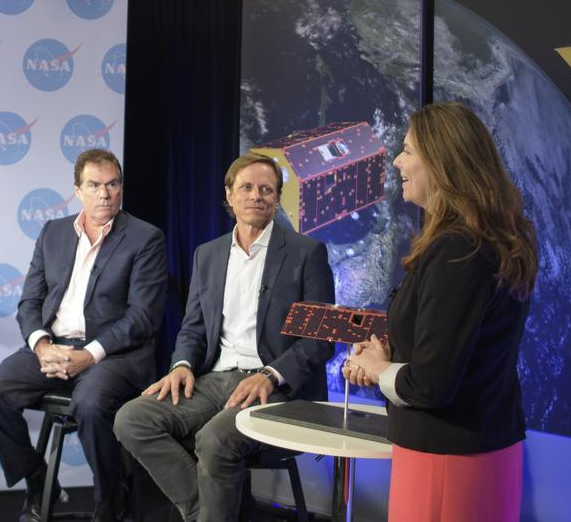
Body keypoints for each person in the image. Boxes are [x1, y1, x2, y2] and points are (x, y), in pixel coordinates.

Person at [113, 154, 334, 522]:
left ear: (278, 198)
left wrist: (271, 375)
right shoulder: (208, 255)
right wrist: (181, 364)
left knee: (215, 440)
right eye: (246, 187)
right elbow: (193, 327)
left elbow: (320, 340)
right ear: (229, 195)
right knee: (131, 418)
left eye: (267, 189)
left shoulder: (307, 253)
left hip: (276, 384)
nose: (256, 196)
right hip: (214, 380)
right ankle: (209, 511)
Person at [344, 102, 537, 522]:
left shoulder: (457, 250)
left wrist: (379, 371)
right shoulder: (489, 240)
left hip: (446, 462)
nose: (397, 160)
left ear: (443, 163)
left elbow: (432, 385)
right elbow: (464, 348)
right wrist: (389, 357)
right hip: (481, 451)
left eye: (408, 150)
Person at [0, 149, 167, 522]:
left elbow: (143, 317)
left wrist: (90, 354)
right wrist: (41, 345)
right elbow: (30, 301)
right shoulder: (54, 232)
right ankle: (37, 480)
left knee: (91, 405)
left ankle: (112, 498)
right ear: (78, 190)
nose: (105, 194)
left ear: (121, 187)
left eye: (112, 184)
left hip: (114, 354)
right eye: (94, 185)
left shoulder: (145, 238)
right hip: (54, 346)